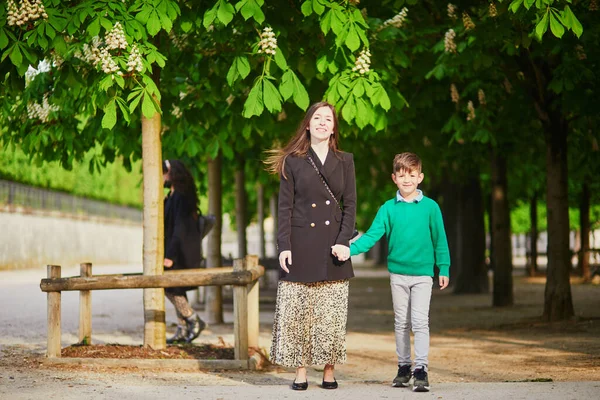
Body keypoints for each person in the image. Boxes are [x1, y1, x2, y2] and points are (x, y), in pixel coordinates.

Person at [264, 101, 356, 391]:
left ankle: (329, 371)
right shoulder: (293, 161)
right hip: (300, 242)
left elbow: (351, 205)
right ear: (307, 124)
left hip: (333, 246)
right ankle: (300, 371)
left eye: (328, 119)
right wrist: (284, 245)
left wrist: (343, 241)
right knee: (298, 310)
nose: (322, 122)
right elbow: (285, 208)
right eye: (317, 118)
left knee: (331, 312)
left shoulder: (346, 160)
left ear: (333, 128)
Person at [339, 152, 450, 392]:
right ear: (394, 178)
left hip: (422, 275)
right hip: (398, 275)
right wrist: (350, 250)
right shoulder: (388, 209)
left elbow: (440, 239)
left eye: (411, 175)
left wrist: (444, 267)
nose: (406, 179)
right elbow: (371, 235)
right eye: (401, 175)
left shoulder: (431, 207)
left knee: (420, 322)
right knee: (401, 322)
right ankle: (403, 367)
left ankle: (421, 369)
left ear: (420, 177)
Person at [162, 159, 207, 344]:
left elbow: (179, 227)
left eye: (165, 172)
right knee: (175, 287)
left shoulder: (181, 195)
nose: (162, 176)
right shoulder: (172, 195)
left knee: (170, 287)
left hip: (180, 251)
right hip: (175, 249)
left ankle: (192, 319)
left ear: (172, 173)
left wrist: (170, 256)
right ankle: (182, 329)